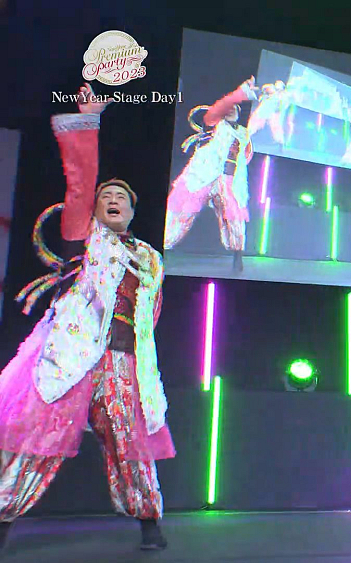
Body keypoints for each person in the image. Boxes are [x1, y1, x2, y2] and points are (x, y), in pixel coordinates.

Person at [0, 83, 174, 552]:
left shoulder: (150, 258)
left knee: (131, 446)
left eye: (121, 197)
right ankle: (2, 518)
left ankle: (149, 523)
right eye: (105, 196)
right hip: (74, 355)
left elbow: (150, 314)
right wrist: (89, 120)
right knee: (37, 437)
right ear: (94, 209)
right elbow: (80, 182)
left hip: (124, 363)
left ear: (132, 210)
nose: (113, 199)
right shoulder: (86, 236)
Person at [164, 77, 258, 272]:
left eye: (234, 109)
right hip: (204, 176)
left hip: (229, 181)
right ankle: (162, 247)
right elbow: (218, 109)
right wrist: (240, 94)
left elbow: (247, 155)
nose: (230, 110)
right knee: (182, 211)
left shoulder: (244, 133)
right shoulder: (214, 123)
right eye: (227, 108)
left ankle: (238, 256)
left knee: (234, 217)